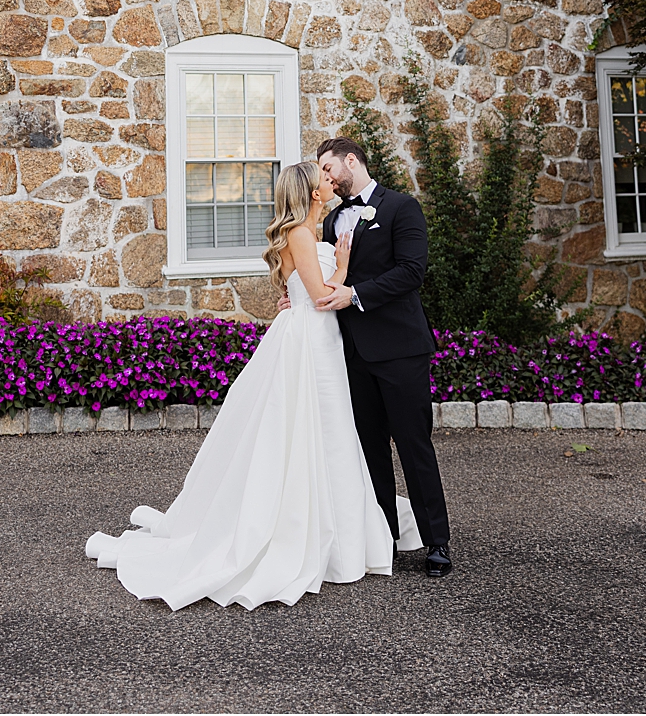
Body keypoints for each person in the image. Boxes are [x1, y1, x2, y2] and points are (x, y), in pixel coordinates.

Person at [85, 160, 420, 609]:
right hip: (309, 339)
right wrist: (340, 267)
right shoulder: (302, 234)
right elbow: (321, 298)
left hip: (317, 338)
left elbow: (299, 289)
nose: (330, 180)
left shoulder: (306, 231)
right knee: (314, 429)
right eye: (323, 178)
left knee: (331, 434)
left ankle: (339, 528)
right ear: (313, 192)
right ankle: (310, 531)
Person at [307, 135, 454, 578]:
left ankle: (437, 541)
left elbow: (412, 272)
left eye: (330, 168)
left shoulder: (401, 207)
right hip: (351, 353)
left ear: (352, 160)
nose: (326, 177)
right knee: (368, 449)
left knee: (413, 444)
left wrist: (356, 295)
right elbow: (327, 279)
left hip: (401, 350)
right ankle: (382, 536)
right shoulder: (332, 221)